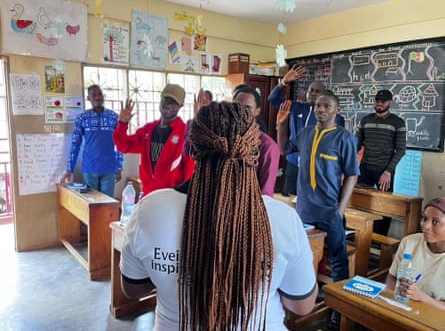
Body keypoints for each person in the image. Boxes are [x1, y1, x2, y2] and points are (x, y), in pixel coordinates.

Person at [120, 101, 318, 330]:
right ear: (253, 152)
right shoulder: (283, 219)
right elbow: (302, 305)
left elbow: (134, 289)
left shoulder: (150, 210)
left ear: (192, 150)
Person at [276, 90, 359, 329]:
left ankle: (339, 308)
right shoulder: (305, 133)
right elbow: (283, 149)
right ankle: (300, 298)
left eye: (326, 106)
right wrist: (281, 125)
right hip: (304, 209)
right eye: (318, 106)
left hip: (330, 210)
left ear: (336, 110)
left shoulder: (344, 138)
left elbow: (352, 175)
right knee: (300, 255)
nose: (320, 109)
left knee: (338, 258)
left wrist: (340, 210)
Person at [268, 65, 345, 196]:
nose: (313, 93)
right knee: (289, 203)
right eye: (311, 90)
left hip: (316, 168)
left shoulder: (332, 117)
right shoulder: (295, 107)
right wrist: (284, 82)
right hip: (293, 164)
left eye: (317, 91)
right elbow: (273, 99)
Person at [113, 84, 195, 196]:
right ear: (160, 100)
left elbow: (189, 168)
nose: (168, 105)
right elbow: (123, 146)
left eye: (173, 102)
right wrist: (122, 123)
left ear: (181, 106)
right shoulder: (148, 130)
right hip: (148, 194)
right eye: (166, 99)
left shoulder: (185, 132)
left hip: (172, 196)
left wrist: (184, 196)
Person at [355, 89, 407, 235]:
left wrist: (388, 171)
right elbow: (356, 145)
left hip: (384, 170)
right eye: (377, 100)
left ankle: (379, 240)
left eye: (383, 101)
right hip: (365, 168)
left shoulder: (398, 123)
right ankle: (360, 236)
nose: (379, 103)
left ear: (390, 102)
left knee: (384, 207)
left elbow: (401, 150)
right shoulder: (366, 120)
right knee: (360, 203)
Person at [60, 84, 124, 197]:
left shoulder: (114, 117)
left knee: (107, 205)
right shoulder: (82, 118)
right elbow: (75, 144)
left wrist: (119, 167)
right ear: (88, 98)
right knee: (92, 204)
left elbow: (121, 143)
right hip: (89, 169)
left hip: (109, 168)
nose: (97, 97)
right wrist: (70, 169)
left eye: (99, 94)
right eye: (93, 95)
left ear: (104, 96)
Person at [385, 197, 445, 311]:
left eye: (435, 222)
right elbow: (391, 278)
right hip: (403, 308)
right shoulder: (409, 242)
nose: (425, 226)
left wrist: (422, 297)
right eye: (424, 218)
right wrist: (395, 295)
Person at [233, 86, 280, 196]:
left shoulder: (267, 146)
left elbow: (265, 192)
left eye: (247, 108)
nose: (241, 111)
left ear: (257, 111)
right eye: (236, 106)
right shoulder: (222, 138)